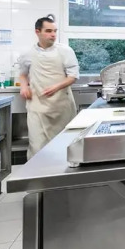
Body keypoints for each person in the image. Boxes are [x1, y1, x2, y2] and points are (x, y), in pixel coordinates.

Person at [19, 14, 79, 159]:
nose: (53, 34)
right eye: (48, 31)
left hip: (61, 107)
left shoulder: (65, 51)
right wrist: (24, 87)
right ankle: (36, 172)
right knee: (37, 145)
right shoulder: (28, 54)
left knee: (64, 145)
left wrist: (56, 87)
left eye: (54, 31)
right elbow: (22, 74)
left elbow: (73, 76)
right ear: (37, 32)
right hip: (37, 107)